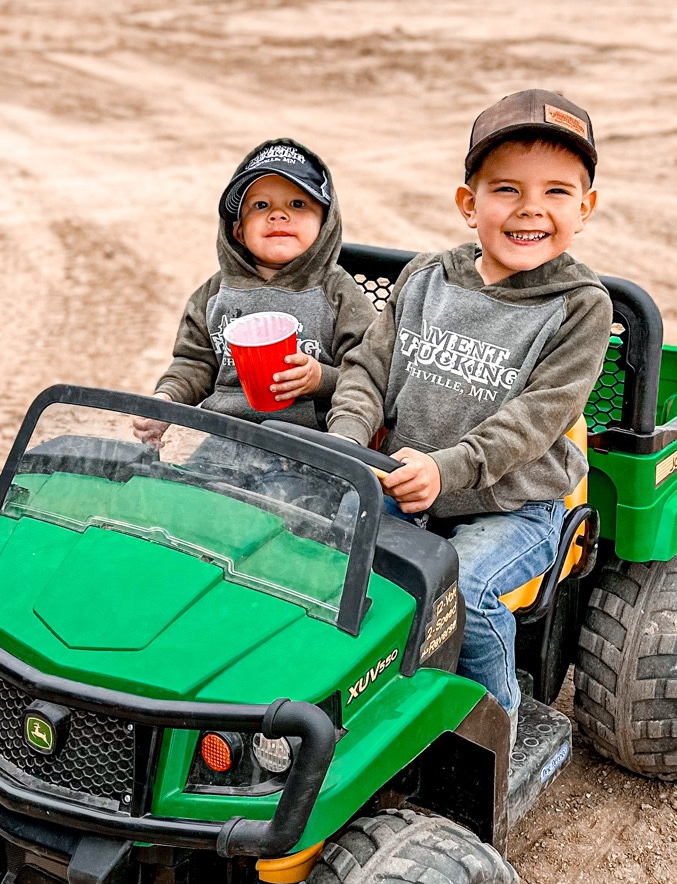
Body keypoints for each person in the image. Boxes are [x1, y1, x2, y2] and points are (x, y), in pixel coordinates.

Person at [326, 90, 613, 715]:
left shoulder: (580, 307)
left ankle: (495, 727)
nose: (531, 208)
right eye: (507, 189)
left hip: (516, 507)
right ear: (469, 203)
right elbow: (368, 370)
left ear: (584, 208)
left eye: (556, 191)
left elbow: (533, 421)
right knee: (326, 549)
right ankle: (365, 706)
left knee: (466, 589)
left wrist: (446, 468)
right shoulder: (426, 279)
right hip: (403, 483)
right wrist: (347, 438)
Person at [140, 138, 375, 434]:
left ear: (325, 223)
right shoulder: (214, 295)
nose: (278, 215)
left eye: (298, 204)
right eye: (261, 205)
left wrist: (321, 379)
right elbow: (193, 363)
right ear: (238, 230)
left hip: (308, 441)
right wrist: (166, 400)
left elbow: (368, 374)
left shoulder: (338, 293)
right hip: (226, 433)